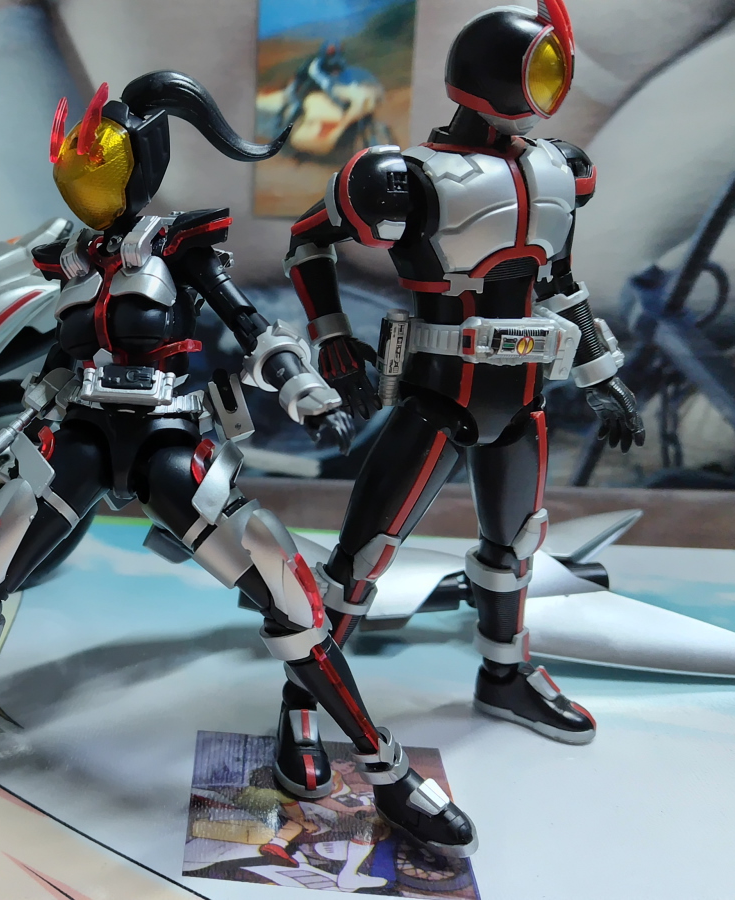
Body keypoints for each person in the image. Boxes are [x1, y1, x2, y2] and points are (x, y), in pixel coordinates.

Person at [0, 70, 478, 859]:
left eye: (98, 170)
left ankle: (386, 772)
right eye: (74, 174)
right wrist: (12, 420)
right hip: (79, 438)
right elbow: (44, 354)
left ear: (138, 166)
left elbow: (252, 327)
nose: (84, 190)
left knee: (286, 586)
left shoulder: (176, 246)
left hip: (165, 438)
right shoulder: (70, 259)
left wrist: (304, 389)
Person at [273, 0, 645, 799]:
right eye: (540, 68)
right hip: (437, 397)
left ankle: (505, 676)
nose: (550, 87)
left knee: (515, 549)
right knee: (359, 561)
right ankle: (302, 704)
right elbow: (307, 239)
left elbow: (560, 284)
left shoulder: (560, 171)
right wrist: (331, 335)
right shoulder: (403, 178)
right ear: (493, 77)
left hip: (524, 401)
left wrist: (601, 373)